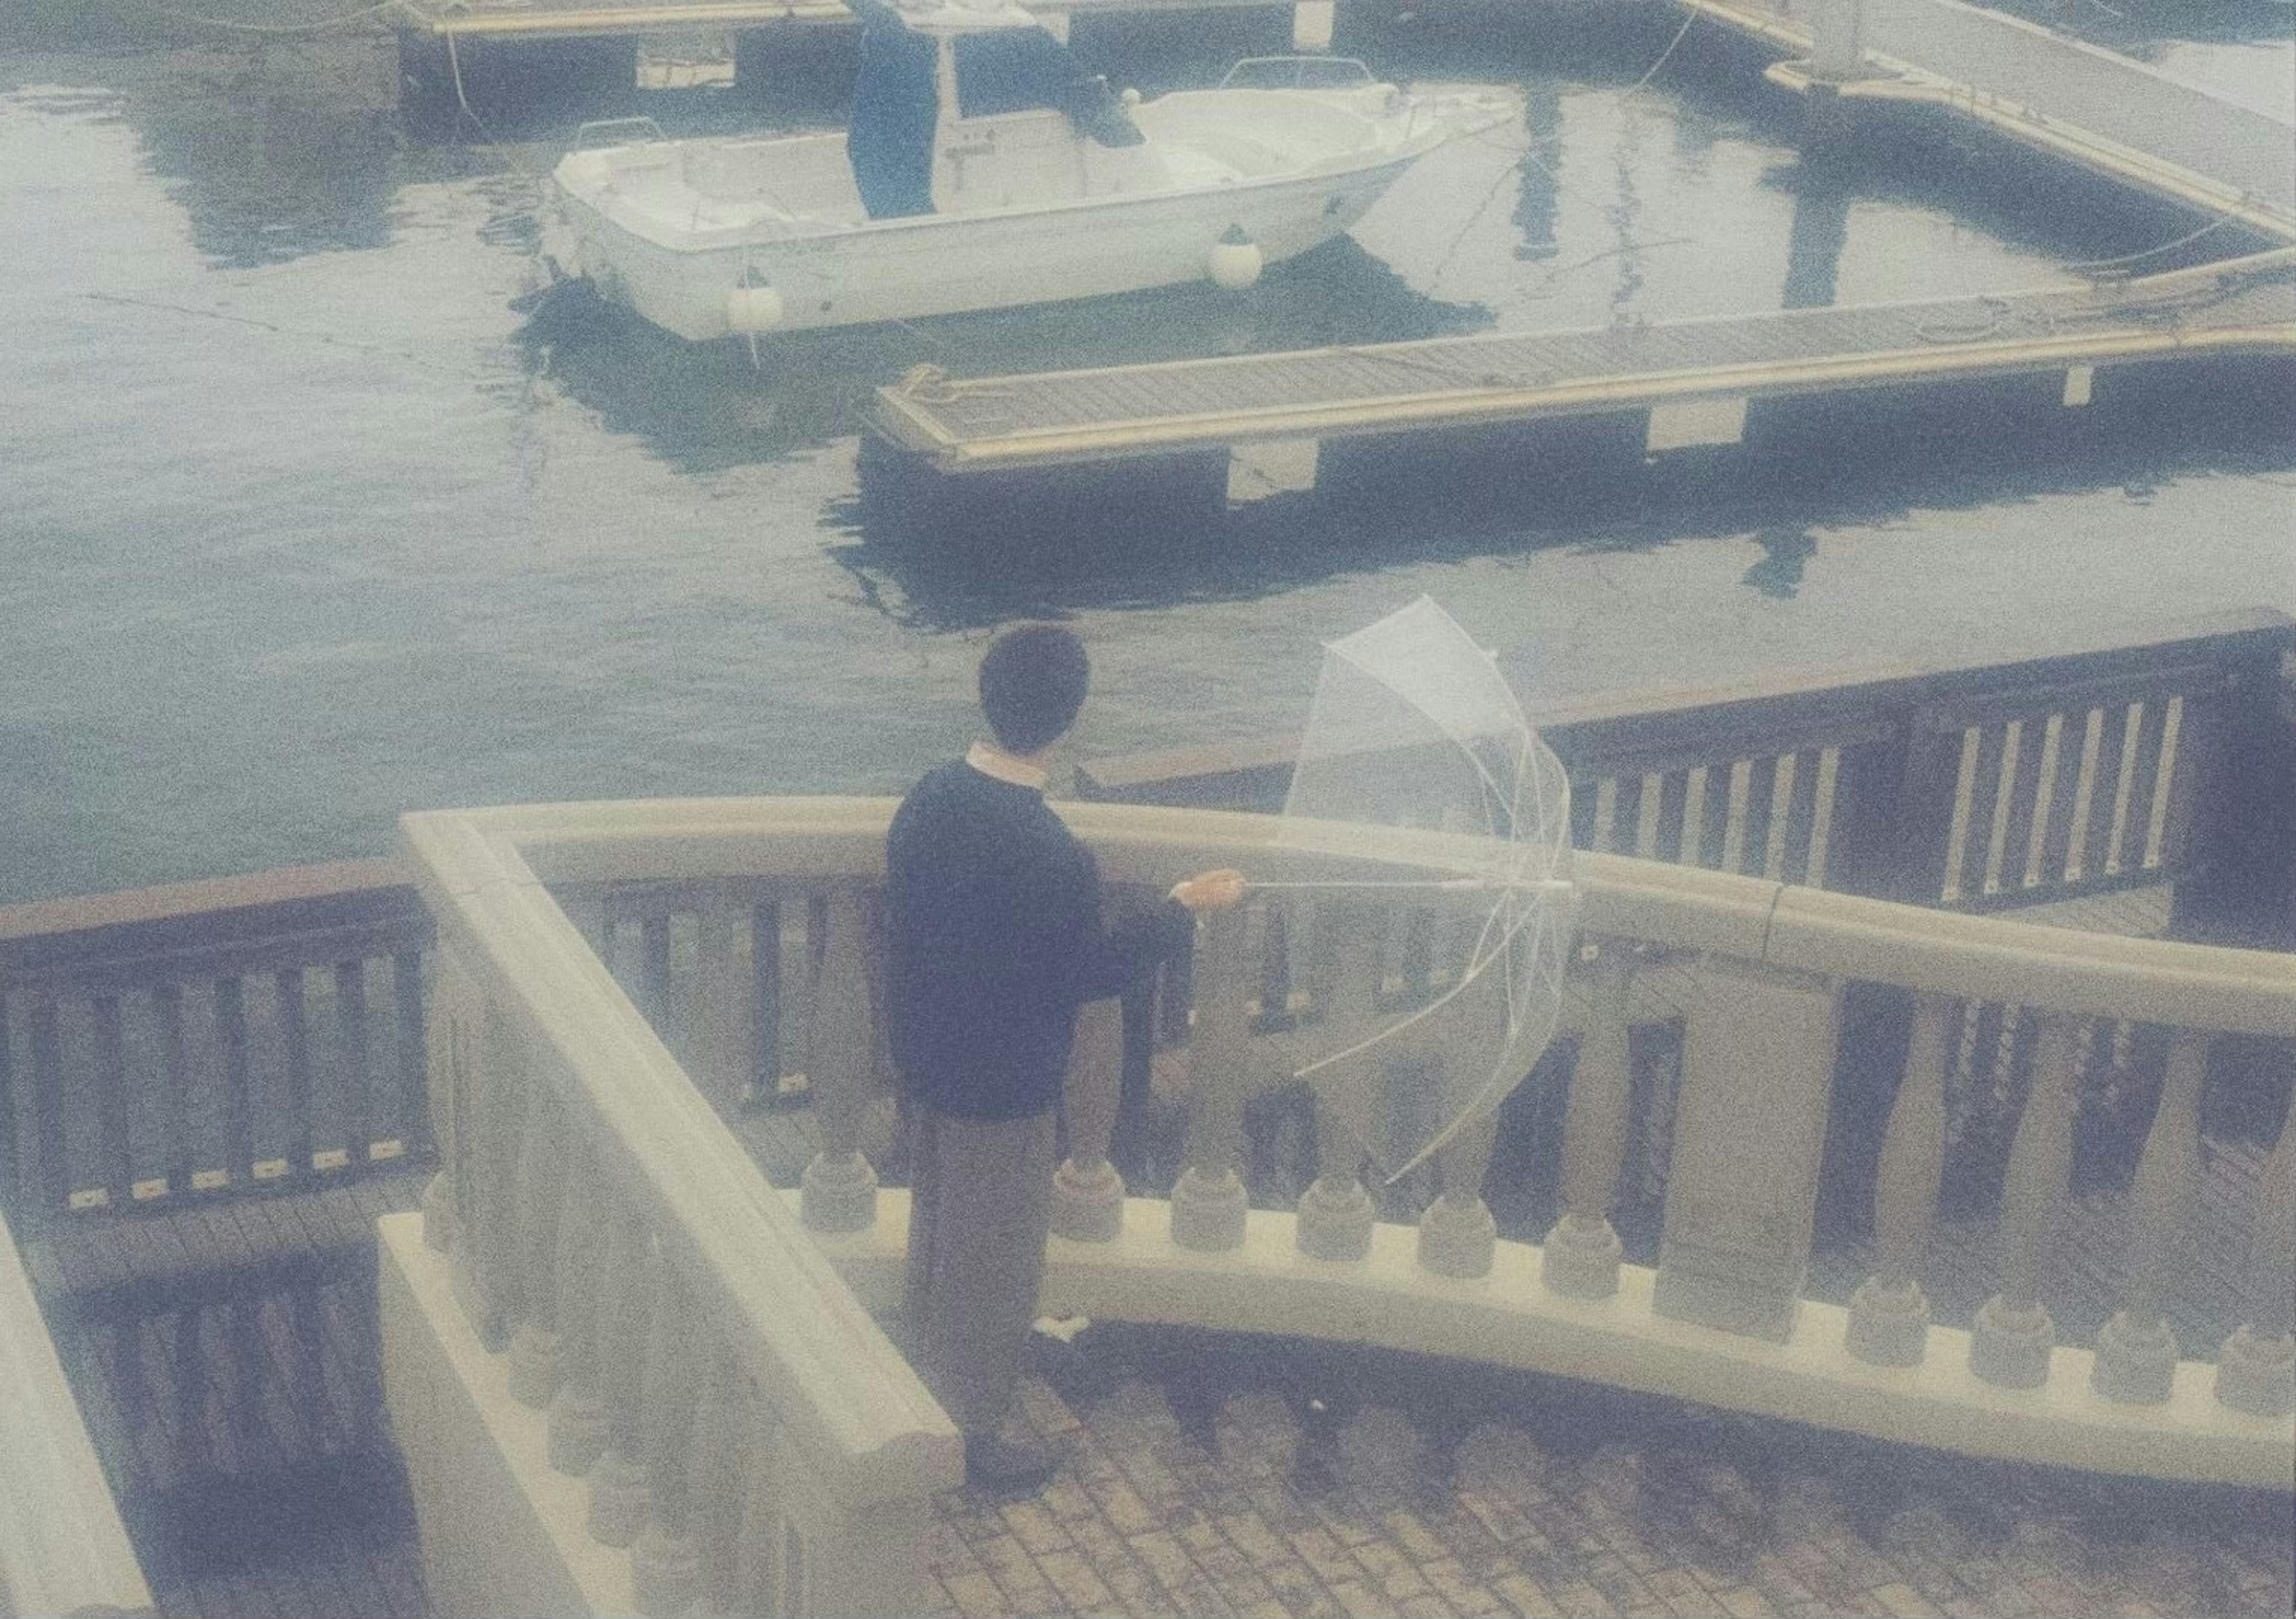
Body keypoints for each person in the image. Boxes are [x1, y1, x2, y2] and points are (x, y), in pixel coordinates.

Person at [885, 624, 1243, 1490]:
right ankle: (968, 1443)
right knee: (996, 1272)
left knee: (937, 1247)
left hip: (929, 1066)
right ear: (1067, 722)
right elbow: (1090, 975)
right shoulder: (1051, 855)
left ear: (986, 697)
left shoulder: (929, 799)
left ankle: (918, 1399)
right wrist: (1178, 911)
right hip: (1004, 1087)